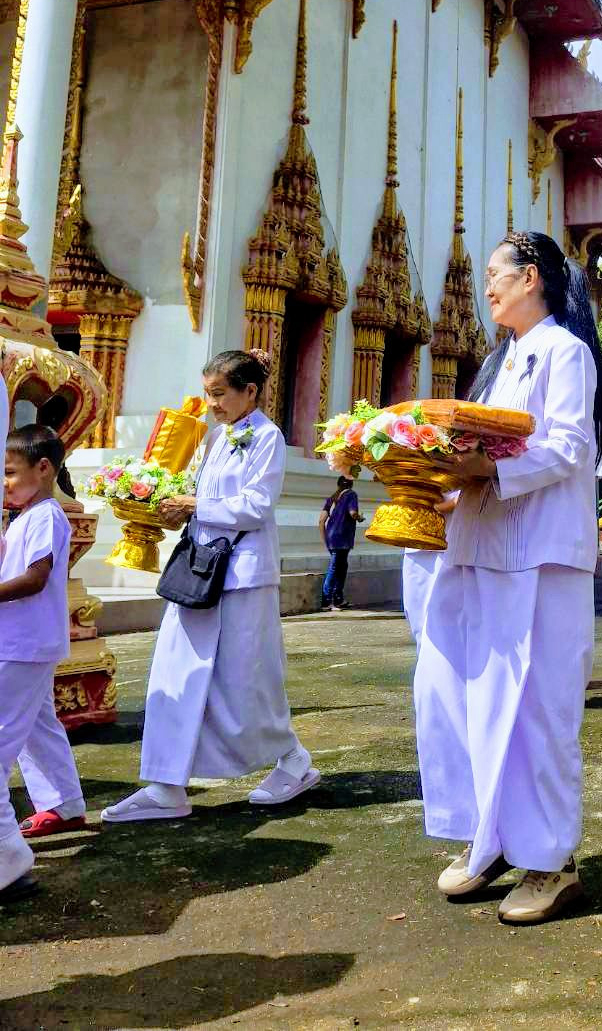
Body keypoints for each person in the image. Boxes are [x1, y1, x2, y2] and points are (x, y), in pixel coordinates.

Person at [413, 230, 602, 925]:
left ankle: (552, 859)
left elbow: (569, 446)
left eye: (497, 273)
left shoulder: (565, 351)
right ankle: (491, 834)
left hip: (541, 554)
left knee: (537, 709)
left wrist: (489, 469)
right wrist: (430, 474)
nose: (487, 285)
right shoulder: (499, 363)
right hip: (479, 545)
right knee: (461, 694)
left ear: (532, 279)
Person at [102, 349, 319, 823]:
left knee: (245, 680)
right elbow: (199, 495)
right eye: (208, 394)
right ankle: (166, 784)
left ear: (250, 391)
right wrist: (165, 504)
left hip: (243, 577)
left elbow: (256, 506)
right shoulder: (217, 437)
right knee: (175, 673)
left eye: (220, 394)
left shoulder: (268, 437)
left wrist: (195, 505)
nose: (212, 404)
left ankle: (293, 759)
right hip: (199, 571)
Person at [1, 424, 89, 899]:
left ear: (43, 468)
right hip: (24, 642)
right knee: (38, 726)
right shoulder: (25, 517)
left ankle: (6, 857)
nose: (5, 483)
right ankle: (65, 803)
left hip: (22, 644)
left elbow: (36, 578)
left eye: (11, 473)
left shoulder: (47, 515)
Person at [319, 475, 362, 612]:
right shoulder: (351, 495)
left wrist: (325, 539)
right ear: (351, 484)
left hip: (331, 537)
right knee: (335, 567)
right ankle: (326, 601)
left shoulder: (332, 498)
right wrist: (359, 517)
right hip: (343, 536)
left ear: (338, 485)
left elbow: (321, 520)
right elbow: (353, 512)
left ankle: (338, 599)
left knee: (341, 566)